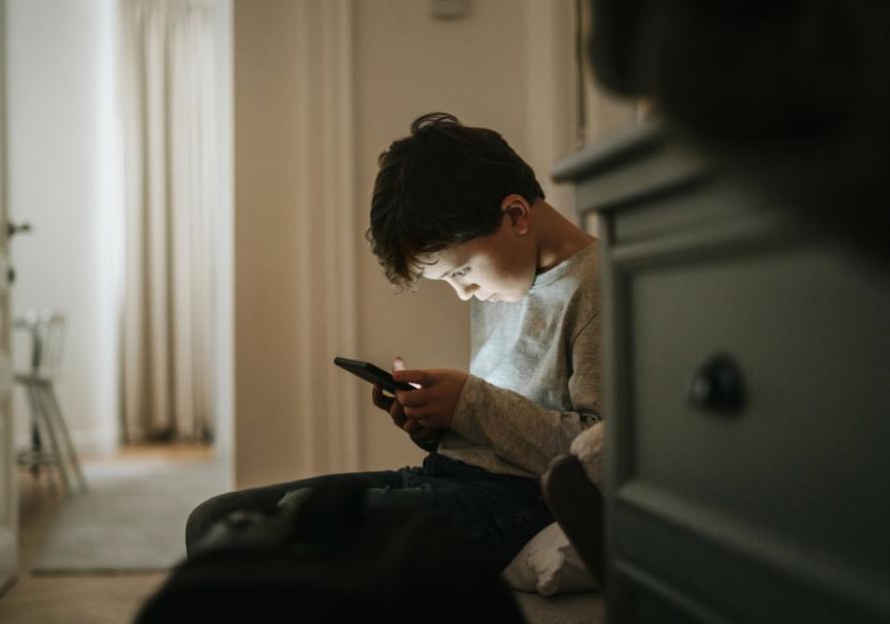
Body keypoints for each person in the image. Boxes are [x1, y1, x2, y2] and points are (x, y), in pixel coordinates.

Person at [185, 112, 601, 574]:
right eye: (448, 279)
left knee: (302, 523)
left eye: (461, 272)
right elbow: (497, 426)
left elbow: (599, 454)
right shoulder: (507, 277)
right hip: (449, 477)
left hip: (521, 497)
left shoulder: (600, 286)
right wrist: (437, 423)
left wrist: (470, 403)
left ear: (516, 216)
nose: (463, 292)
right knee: (213, 521)